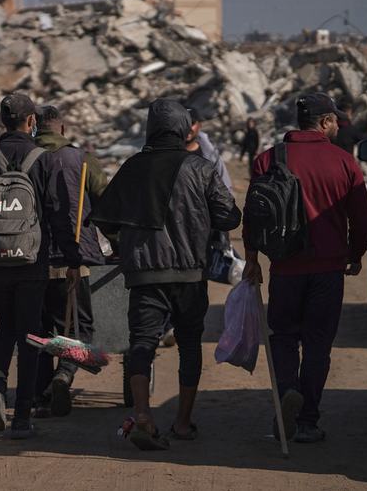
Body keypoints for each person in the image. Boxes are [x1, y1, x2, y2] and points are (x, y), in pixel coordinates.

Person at [91, 98, 241, 451]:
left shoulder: (132, 168)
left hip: (144, 275)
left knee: (142, 343)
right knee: (190, 346)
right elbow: (230, 217)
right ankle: (183, 422)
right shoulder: (200, 168)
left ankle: (142, 415)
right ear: (183, 128)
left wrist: (123, 241)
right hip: (189, 275)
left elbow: (105, 218)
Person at [243, 93, 367, 444]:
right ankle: (307, 420)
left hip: (285, 268)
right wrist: (356, 254)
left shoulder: (268, 159)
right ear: (326, 122)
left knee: (284, 337)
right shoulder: (344, 162)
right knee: (318, 344)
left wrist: (252, 259)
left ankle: (287, 391)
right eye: (335, 121)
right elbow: (362, 219)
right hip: (328, 269)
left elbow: (253, 214)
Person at [0, 92, 72, 439]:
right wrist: (71, 256)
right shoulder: (44, 160)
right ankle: (22, 416)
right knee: (32, 332)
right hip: (33, 260)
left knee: (5, 326)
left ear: (2, 122)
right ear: (32, 121)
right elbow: (58, 214)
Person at [32, 106, 107, 418]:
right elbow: (107, 204)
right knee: (80, 326)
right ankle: (64, 374)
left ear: (35, 126)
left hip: (30, 261)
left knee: (39, 331)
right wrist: (116, 243)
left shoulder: (23, 158)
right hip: (73, 260)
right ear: (61, 129)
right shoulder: (82, 159)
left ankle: (41, 396)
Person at [186, 108, 233, 192]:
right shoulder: (169, 154)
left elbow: (225, 186)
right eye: (184, 123)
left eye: (192, 123)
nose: (187, 128)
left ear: (199, 125)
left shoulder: (211, 155)